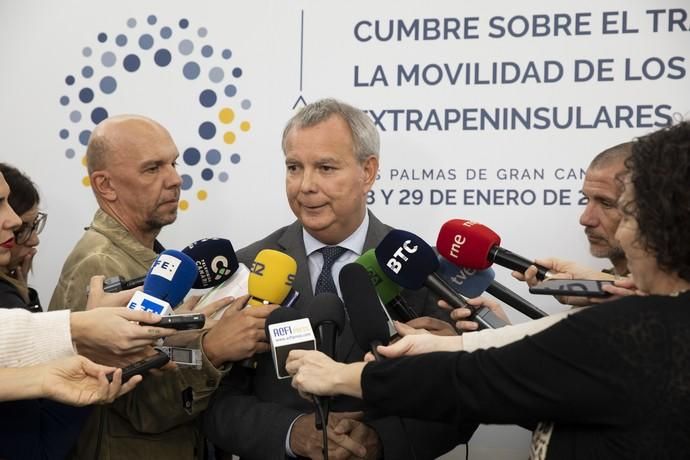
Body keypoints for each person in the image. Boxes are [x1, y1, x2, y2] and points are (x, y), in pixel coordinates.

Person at [287, 120, 690, 458]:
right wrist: (445, 345)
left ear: (666, 222)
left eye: (626, 210)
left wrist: (343, 377)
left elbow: (477, 379)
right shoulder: (642, 314)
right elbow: (535, 350)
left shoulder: (633, 327)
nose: (614, 225)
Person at [204, 99, 472, 459]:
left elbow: (461, 394)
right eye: (294, 168)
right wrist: (289, 433)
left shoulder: (416, 268)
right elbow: (215, 401)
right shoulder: (250, 266)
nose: (306, 186)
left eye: (326, 167)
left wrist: (379, 440)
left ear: (368, 171)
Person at [49, 114, 276, 459]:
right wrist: (212, 349)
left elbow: (160, 360)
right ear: (106, 185)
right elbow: (142, 405)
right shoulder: (101, 266)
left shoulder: (154, 260)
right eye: (152, 169)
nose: (174, 179)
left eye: (173, 163)